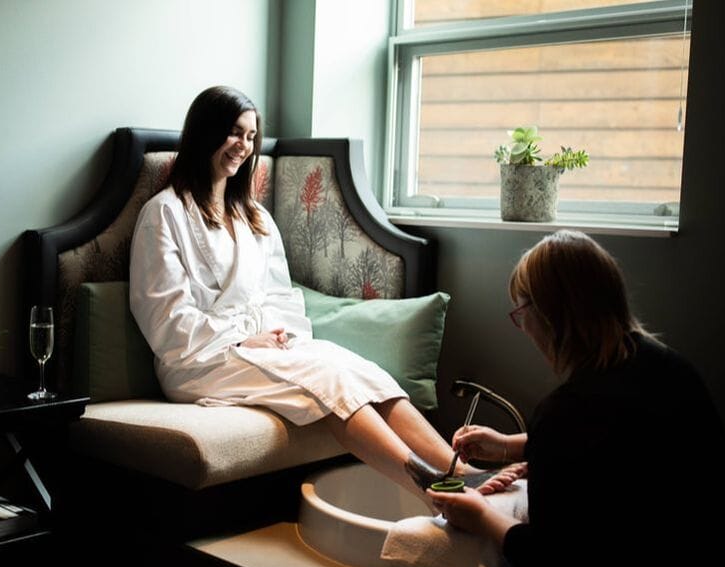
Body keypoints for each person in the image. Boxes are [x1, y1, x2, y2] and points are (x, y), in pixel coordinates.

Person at [128, 85, 516, 500]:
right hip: (199, 361)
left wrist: (278, 336)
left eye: (251, 136)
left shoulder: (253, 215)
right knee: (328, 379)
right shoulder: (165, 214)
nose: (243, 145)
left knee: (355, 367)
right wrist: (242, 339)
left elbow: (280, 295)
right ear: (205, 132)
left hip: (261, 347)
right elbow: (166, 319)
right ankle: (430, 486)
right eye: (234, 133)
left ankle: (463, 471)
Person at [428, 230, 725, 567]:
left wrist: (479, 516)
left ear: (549, 315)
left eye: (520, 312)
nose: (521, 327)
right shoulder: (667, 368)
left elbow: (552, 560)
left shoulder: (565, 412)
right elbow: (619, 445)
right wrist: (512, 446)